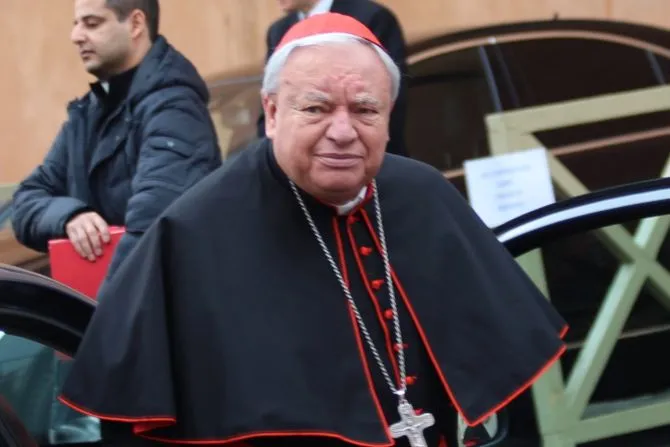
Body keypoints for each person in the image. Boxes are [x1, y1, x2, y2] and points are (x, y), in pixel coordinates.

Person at [59, 13, 567, 447]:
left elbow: (508, 379)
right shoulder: (193, 232)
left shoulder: (424, 195)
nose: (343, 132)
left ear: (389, 117)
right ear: (274, 113)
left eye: (365, 110)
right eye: (317, 108)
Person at [11, 0, 222, 281]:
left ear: (136, 24)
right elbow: (25, 202)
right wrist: (70, 216)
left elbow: (151, 234)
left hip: (153, 313)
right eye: (76, 23)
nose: (76, 36)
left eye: (92, 23)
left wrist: (106, 317)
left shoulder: (174, 110)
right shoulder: (88, 113)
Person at [257, 0, 409, 157]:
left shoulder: (372, 16)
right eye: (314, 109)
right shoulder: (278, 30)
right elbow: (271, 101)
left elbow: (389, 98)